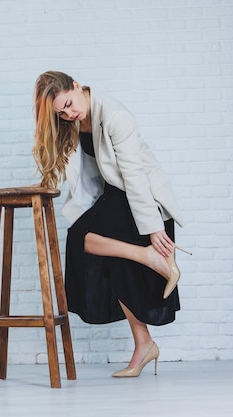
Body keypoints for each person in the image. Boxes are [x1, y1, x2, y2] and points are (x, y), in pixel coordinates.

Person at [32, 71, 188, 378]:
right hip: (114, 196)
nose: (68, 114)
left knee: (82, 239)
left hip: (139, 199)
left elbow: (135, 177)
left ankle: (153, 259)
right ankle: (144, 343)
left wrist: (155, 230)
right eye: (60, 113)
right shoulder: (77, 119)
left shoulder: (116, 117)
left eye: (68, 104)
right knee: (104, 257)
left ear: (78, 86)